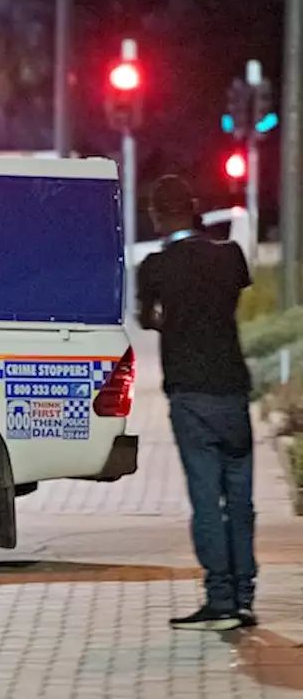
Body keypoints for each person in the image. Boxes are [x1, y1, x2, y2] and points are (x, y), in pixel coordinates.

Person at [137, 175, 257, 631]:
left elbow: (147, 320)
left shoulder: (154, 267)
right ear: (193, 206)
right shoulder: (230, 255)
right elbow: (233, 296)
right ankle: (245, 596)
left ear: (156, 215)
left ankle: (220, 596)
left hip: (189, 393)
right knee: (240, 500)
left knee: (207, 500)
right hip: (233, 390)